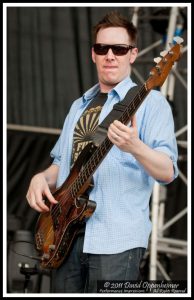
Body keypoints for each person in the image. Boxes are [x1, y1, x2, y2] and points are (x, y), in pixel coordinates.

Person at [26, 11, 178, 293]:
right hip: (65, 236)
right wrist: (41, 178)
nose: (110, 55)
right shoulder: (78, 106)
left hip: (117, 241)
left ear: (132, 54)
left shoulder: (152, 104)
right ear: (92, 54)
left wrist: (135, 147)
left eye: (119, 49)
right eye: (102, 48)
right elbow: (61, 164)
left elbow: (168, 172)